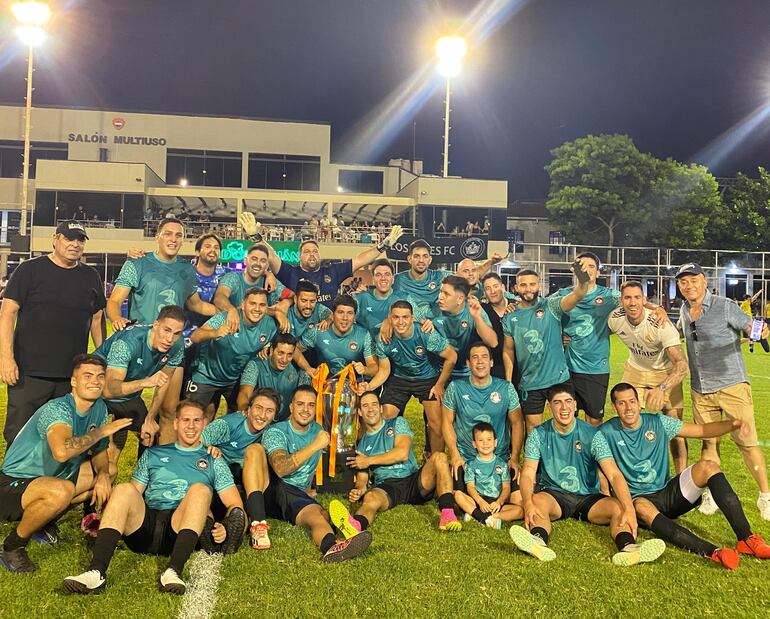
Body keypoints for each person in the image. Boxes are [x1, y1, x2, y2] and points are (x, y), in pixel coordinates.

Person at [63, 400, 244, 594]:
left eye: (196, 420)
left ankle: (173, 571)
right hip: (145, 527)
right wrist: (110, 516)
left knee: (200, 490)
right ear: (175, 423)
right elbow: (132, 494)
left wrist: (224, 526)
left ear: (204, 424)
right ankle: (96, 572)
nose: (191, 426)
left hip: (179, 527)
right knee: (124, 489)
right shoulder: (153, 454)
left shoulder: (213, 459)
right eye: (185, 420)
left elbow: (235, 505)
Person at [601, 383, 770, 569]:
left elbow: (701, 431)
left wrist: (733, 424)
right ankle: (713, 552)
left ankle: (746, 538)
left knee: (709, 467)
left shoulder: (658, 422)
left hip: (666, 493)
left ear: (639, 402)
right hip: (638, 501)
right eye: (622, 403)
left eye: (631, 401)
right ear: (614, 407)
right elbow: (608, 472)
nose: (628, 408)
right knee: (641, 505)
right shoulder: (605, 433)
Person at [0, 355, 131, 573]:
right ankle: (12, 547)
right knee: (63, 490)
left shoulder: (97, 407)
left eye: (100, 376)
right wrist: (102, 432)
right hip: (13, 483)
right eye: (87, 376)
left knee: (109, 471)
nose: (95, 381)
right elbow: (62, 452)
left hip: (49, 479)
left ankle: (43, 523)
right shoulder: (58, 409)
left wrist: (102, 476)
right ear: (73, 381)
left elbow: (99, 451)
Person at [510, 386, 665, 566]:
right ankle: (537, 541)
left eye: (568, 402)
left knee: (618, 507)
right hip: (555, 494)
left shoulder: (593, 434)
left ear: (575, 406)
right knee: (536, 502)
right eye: (557, 403)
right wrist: (527, 503)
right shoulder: (539, 434)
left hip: (588, 497)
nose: (564, 408)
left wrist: (629, 509)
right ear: (549, 407)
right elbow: (528, 473)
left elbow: (614, 474)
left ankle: (629, 548)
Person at [676, 263, 770, 519]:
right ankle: (711, 496)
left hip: (732, 386)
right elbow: (677, 336)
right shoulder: (684, 311)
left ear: (704, 281)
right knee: (709, 443)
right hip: (701, 389)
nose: (689, 285)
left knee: (747, 442)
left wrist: (759, 331)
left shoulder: (724, 305)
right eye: (683, 282)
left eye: (693, 280)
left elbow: (752, 326)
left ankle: (765, 497)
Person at [0, 221, 106, 446]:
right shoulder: (29, 269)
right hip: (29, 373)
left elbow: (97, 318)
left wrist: (100, 360)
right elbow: (8, 313)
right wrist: (6, 359)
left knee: (64, 439)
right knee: (19, 437)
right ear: (55, 239)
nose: (75, 244)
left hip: (70, 377)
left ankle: (55, 482)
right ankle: (13, 481)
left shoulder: (90, 275)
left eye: (80, 240)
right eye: (69, 238)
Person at [551, 252, 667, 427]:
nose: (587, 270)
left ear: (598, 273)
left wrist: (657, 308)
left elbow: (634, 300)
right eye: (583, 266)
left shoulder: (609, 296)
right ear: (574, 270)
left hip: (596, 367)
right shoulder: (563, 295)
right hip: (566, 368)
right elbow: (541, 313)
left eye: (591, 267)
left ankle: (593, 452)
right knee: (566, 418)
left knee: (594, 419)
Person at [262, 386, 373, 562]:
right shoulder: (277, 431)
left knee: (320, 513)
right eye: (300, 404)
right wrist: (316, 445)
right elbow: (281, 469)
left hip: (295, 493)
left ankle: (343, 526)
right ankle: (332, 546)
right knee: (315, 515)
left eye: (310, 405)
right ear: (291, 407)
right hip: (274, 488)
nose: (305, 410)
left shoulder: (317, 429)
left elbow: (308, 469)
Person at [328, 391, 462, 535]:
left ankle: (447, 515)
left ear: (380, 408)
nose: (371, 409)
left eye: (374, 404)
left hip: (413, 480)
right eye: (365, 406)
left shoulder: (397, 423)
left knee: (440, 457)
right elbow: (362, 478)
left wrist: (368, 460)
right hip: (387, 486)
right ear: (360, 412)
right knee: (371, 498)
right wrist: (359, 489)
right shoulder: (361, 445)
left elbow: (402, 453)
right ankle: (356, 526)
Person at [608, 280, 690, 472]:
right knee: (625, 419)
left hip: (665, 373)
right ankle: (628, 471)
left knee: (676, 429)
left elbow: (682, 364)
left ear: (644, 300)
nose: (632, 302)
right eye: (627, 298)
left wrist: (662, 388)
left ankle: (681, 479)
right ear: (621, 301)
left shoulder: (660, 324)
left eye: (637, 297)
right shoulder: (615, 318)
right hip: (635, 371)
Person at [239, 212, 403, 307]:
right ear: (299, 256)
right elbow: (272, 255)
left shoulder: (333, 271)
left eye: (315, 251)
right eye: (307, 251)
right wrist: (255, 236)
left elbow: (360, 259)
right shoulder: (290, 273)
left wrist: (383, 246)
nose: (312, 254)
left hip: (327, 329)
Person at [501, 263, 592, 432]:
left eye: (532, 284)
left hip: (558, 379)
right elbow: (508, 350)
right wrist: (508, 381)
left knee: (567, 424)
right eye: (523, 285)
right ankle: (537, 459)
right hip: (530, 382)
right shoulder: (510, 316)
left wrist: (582, 279)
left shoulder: (552, 306)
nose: (528, 289)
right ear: (515, 288)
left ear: (539, 285)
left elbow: (578, 294)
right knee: (533, 429)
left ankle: (567, 458)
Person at [358, 300, 457, 452]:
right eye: (396, 317)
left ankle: (436, 463)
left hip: (427, 379)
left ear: (412, 318)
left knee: (436, 425)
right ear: (390, 318)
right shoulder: (384, 339)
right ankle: (382, 463)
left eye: (405, 317)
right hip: (400, 379)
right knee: (383, 417)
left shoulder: (426, 334)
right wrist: (369, 386)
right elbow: (384, 370)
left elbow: (452, 356)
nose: (401, 322)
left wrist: (439, 385)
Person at [94, 305, 185, 454]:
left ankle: (141, 474)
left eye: (176, 333)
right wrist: (145, 382)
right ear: (156, 325)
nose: (170, 339)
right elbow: (109, 390)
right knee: (95, 450)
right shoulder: (128, 342)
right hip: (98, 394)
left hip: (128, 395)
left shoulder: (177, 345)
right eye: (166, 330)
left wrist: (149, 418)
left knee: (149, 435)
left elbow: (164, 381)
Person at [201, 387, 280, 551]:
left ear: (274, 416)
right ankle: (211, 528)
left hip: (250, 487)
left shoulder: (273, 431)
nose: (262, 415)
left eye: (269, 411)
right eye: (258, 408)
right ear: (248, 410)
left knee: (255, 450)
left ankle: (257, 525)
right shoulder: (228, 424)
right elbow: (197, 440)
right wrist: (209, 448)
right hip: (222, 484)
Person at [107, 217, 217, 331]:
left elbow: (195, 305)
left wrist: (228, 312)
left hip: (172, 341)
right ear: (157, 238)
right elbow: (115, 301)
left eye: (178, 235)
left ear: (183, 240)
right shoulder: (137, 263)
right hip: (142, 340)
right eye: (168, 234)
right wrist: (116, 319)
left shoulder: (187, 269)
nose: (173, 239)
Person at [442, 343, 524, 494]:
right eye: (475, 357)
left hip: (499, 459)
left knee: (517, 499)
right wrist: (454, 454)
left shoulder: (506, 388)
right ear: (468, 364)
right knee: (458, 498)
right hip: (467, 460)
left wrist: (515, 458)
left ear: (491, 362)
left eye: (484, 357)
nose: (480, 362)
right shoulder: (455, 387)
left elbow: (517, 422)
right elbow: (447, 422)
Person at [187, 288, 277, 418]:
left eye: (262, 305)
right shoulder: (225, 318)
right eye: (252, 303)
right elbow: (195, 336)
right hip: (205, 376)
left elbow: (283, 343)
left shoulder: (270, 325)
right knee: (195, 416)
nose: (257, 309)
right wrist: (215, 333)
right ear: (243, 304)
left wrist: (268, 348)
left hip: (233, 380)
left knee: (240, 414)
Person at [455, 422, 523, 528]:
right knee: (458, 495)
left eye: (489, 440)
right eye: (481, 440)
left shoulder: (502, 464)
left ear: (495, 442)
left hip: (495, 502)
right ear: (474, 444)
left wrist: (499, 502)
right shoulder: (471, 465)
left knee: (519, 510)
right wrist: (481, 502)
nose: (485, 443)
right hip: (477, 501)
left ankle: (489, 517)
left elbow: (506, 488)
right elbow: (470, 488)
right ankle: (481, 516)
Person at [433, 275, 499, 380]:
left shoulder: (474, 309)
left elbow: (493, 343)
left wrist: (477, 318)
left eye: (446, 294)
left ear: (460, 299)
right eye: (441, 292)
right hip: (440, 372)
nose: (440, 297)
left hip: (469, 373)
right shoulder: (433, 310)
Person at [295, 295, 377, 378]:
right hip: (323, 385)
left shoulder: (363, 335)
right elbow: (295, 349)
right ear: (333, 315)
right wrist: (307, 368)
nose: (345, 318)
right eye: (340, 312)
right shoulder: (318, 331)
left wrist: (365, 369)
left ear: (354, 317)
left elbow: (374, 367)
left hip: (353, 386)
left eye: (350, 313)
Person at [237, 333, 311, 419]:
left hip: (286, 423)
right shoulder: (256, 365)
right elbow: (244, 392)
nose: (284, 359)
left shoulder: (299, 370)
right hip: (260, 419)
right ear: (272, 350)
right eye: (280, 353)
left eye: (289, 355)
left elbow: (304, 403)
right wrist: (245, 410)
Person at [213, 243, 288, 324]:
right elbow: (219, 297)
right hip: (234, 328)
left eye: (263, 261)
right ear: (245, 261)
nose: (258, 263)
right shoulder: (233, 278)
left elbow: (292, 296)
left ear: (267, 265)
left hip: (262, 332)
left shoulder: (270, 281)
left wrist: (286, 303)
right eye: (254, 259)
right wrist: (231, 309)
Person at [392, 240, 453, 313]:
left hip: (436, 323)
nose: (421, 260)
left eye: (425, 256)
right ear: (409, 259)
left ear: (430, 260)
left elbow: (464, 275)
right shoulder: (397, 280)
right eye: (416, 256)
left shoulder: (441, 276)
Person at [479, 272, 513, 380]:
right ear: (484, 293)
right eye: (488, 288)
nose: (492, 291)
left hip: (520, 367)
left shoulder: (517, 306)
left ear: (503, 287)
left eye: (495, 286)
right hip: (494, 369)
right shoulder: (482, 311)